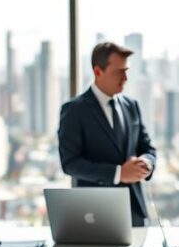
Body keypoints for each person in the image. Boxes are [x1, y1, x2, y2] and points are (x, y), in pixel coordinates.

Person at [58, 42, 157, 227]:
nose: (125, 78)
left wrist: (147, 162)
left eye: (126, 70)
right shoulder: (74, 111)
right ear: (97, 71)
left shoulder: (131, 106)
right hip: (94, 213)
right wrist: (119, 174)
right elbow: (70, 164)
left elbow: (147, 147)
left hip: (136, 211)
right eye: (119, 72)